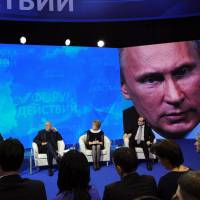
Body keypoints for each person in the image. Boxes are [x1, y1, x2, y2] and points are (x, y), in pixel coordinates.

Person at [120, 40, 200, 139]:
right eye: (151, 80)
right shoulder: (119, 129)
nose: (174, 97)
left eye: (183, 72)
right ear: (125, 89)